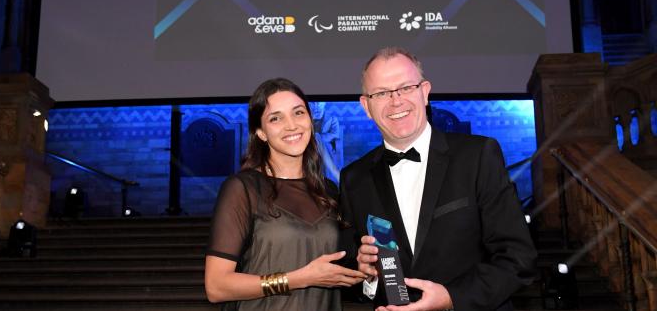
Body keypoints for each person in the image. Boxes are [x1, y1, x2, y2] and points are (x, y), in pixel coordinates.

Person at [338, 47, 537, 311]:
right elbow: (353, 277)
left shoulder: (477, 155)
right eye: (382, 93)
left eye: (406, 87)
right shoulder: (354, 178)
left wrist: (451, 297)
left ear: (425, 91)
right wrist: (367, 276)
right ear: (366, 106)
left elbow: (518, 258)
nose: (396, 101)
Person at [205, 78, 366, 310]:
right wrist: (300, 278)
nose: (291, 125)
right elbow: (216, 287)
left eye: (299, 113)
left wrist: (364, 269)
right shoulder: (243, 188)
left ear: (310, 120)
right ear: (260, 132)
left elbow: (340, 273)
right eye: (275, 118)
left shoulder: (328, 192)